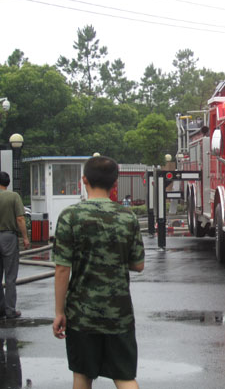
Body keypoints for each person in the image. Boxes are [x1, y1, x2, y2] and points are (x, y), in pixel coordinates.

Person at [52, 156, 145, 389]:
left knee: (82, 375)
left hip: (81, 315)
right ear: (115, 183)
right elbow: (138, 264)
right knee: (124, 377)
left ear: (84, 180)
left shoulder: (70, 216)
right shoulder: (128, 217)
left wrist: (59, 311)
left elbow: (62, 268)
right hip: (119, 314)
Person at [0, 170, 30, 319]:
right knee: (10, 276)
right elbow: (20, 219)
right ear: (8, 183)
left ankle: (0, 309)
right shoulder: (14, 196)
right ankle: (10, 310)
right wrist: (25, 237)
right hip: (9, 238)